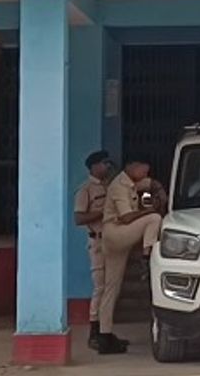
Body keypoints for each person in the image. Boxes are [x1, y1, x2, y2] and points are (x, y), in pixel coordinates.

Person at [97, 158, 167, 354]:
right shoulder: (119, 186)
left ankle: (104, 335)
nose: (145, 175)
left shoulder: (132, 181)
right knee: (154, 219)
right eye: (143, 170)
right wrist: (149, 211)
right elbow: (126, 217)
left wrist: (159, 191)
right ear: (132, 167)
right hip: (117, 233)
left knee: (112, 288)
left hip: (115, 237)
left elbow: (151, 184)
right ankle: (147, 257)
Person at [72, 150, 123, 351]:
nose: (107, 167)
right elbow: (79, 218)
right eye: (103, 163)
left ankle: (106, 331)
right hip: (98, 242)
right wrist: (103, 212)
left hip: (112, 240)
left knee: (111, 288)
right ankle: (94, 332)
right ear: (94, 166)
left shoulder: (110, 186)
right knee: (100, 288)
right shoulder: (85, 190)